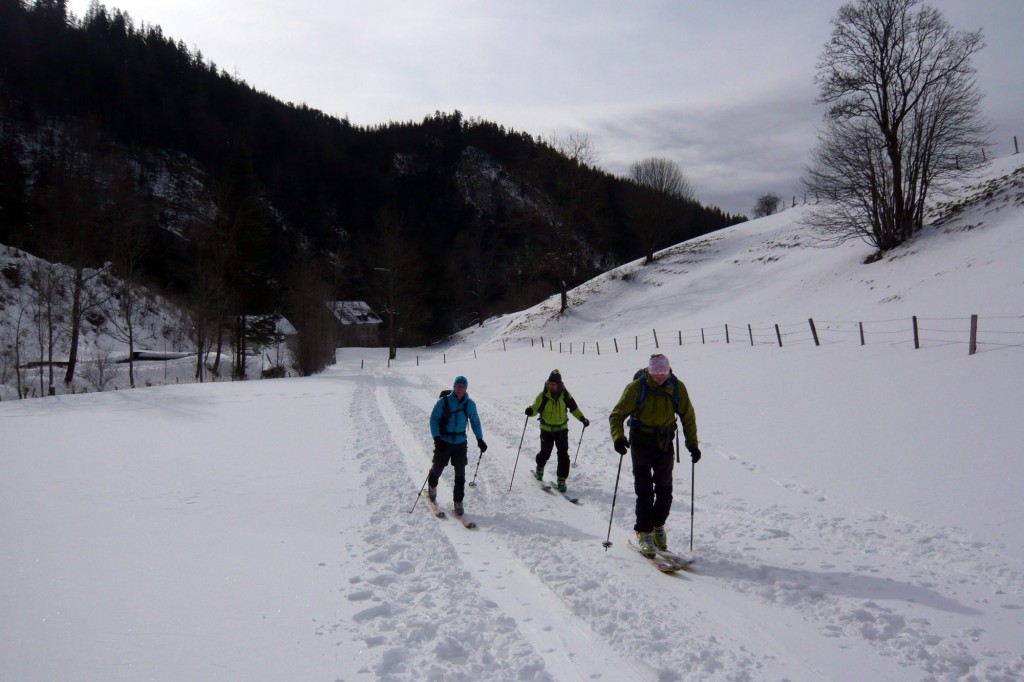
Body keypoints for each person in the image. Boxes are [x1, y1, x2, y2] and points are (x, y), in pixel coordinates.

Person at [608, 354, 700, 558]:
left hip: (664, 442)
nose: (659, 378)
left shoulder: (677, 388)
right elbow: (617, 414)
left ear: (669, 371)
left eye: (663, 374)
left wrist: (692, 444)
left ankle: (658, 527)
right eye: (655, 374)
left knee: (665, 490)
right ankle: (644, 532)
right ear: (649, 372)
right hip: (640, 441)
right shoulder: (636, 388)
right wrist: (618, 438)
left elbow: (688, 416)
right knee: (644, 490)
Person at [428, 375, 486, 515]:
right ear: (454, 387)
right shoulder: (444, 402)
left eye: (463, 387)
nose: (460, 389)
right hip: (444, 441)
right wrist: (437, 438)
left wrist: (480, 439)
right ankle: (432, 486)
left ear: (466, 389)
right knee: (438, 468)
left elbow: (475, 422)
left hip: (460, 442)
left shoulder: (469, 404)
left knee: (460, 473)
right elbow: (434, 420)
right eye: (458, 386)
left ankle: (458, 501)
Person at [525, 369, 589, 492]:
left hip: (562, 430)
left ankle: (561, 480)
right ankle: (539, 468)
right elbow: (535, 408)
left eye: (553, 384)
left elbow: (574, 409)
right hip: (546, 429)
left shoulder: (565, 395)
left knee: (563, 455)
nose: (551, 386)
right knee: (545, 452)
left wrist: (582, 418)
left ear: (559, 384)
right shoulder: (543, 395)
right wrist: (530, 411)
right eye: (549, 383)